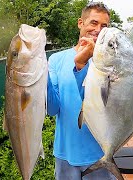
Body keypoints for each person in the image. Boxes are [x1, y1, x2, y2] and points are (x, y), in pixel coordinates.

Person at [47, 2, 115, 180]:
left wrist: (82, 66)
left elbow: (107, 106)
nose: (98, 29)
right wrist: (41, 78)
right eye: (93, 23)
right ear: (80, 23)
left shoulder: (109, 63)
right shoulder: (57, 59)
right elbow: (52, 109)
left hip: (99, 154)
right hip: (64, 153)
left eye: (104, 26)